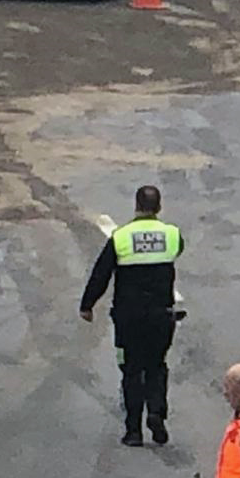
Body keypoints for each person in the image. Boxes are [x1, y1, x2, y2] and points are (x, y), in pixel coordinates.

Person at [79, 185, 183, 446]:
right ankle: (157, 413)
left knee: (132, 371)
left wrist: (87, 304)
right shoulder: (172, 235)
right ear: (158, 207)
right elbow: (177, 251)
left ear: (136, 206)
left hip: (129, 320)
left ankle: (133, 431)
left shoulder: (121, 238)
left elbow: (101, 273)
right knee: (157, 366)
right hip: (162, 317)